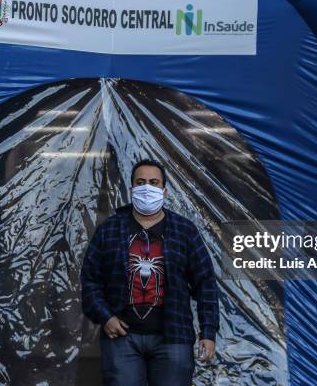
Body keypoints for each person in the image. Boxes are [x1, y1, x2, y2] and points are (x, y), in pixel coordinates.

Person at [81, 159, 219, 386]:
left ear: (164, 192)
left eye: (154, 183)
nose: (147, 188)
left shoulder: (185, 231)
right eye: (141, 182)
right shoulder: (110, 230)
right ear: (132, 189)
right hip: (121, 337)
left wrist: (208, 331)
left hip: (173, 336)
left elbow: (205, 284)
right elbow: (90, 280)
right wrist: (105, 316)